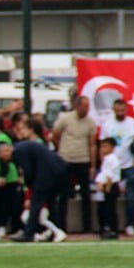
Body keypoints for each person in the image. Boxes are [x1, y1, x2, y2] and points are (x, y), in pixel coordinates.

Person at [6, 118, 71, 242]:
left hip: (47, 174)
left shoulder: (19, 150)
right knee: (51, 203)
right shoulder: (28, 145)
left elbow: (28, 171)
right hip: (60, 170)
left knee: (36, 203)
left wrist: (29, 186)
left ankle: (29, 233)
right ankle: (56, 230)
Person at [52, 94, 97, 233]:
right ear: (77, 106)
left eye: (88, 106)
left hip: (83, 160)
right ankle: (61, 226)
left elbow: (92, 144)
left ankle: (87, 227)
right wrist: (62, 150)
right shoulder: (65, 119)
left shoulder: (90, 122)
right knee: (63, 194)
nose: (86, 109)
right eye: (84, 106)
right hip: (66, 160)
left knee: (85, 194)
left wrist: (92, 165)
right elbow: (55, 135)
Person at [98, 99, 134, 235]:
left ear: (126, 109)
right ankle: (108, 225)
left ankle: (130, 224)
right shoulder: (107, 125)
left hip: (128, 165)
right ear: (113, 110)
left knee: (130, 196)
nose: (120, 113)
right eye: (117, 110)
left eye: (122, 110)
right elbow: (102, 146)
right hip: (112, 167)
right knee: (109, 196)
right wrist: (103, 165)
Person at [93, 137, 122, 239]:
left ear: (112, 148)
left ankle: (113, 230)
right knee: (106, 209)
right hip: (106, 186)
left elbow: (110, 174)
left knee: (111, 209)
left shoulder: (112, 159)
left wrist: (108, 186)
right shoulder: (106, 158)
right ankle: (107, 228)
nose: (102, 149)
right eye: (101, 146)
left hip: (111, 186)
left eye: (105, 146)